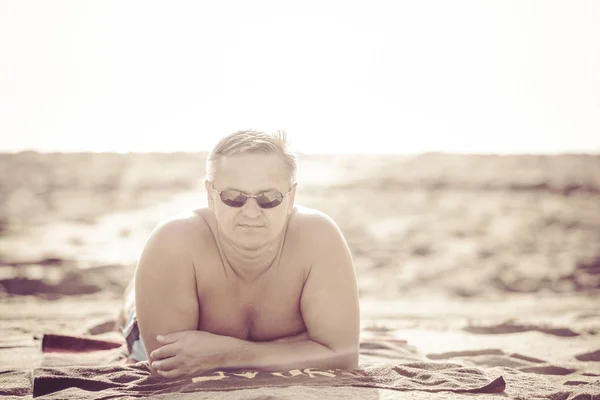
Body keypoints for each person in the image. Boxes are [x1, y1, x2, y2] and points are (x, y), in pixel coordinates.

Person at [120, 130, 360, 378]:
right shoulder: (173, 242)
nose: (251, 212)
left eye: (269, 198)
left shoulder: (318, 237)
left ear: (291, 198)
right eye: (233, 197)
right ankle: (132, 296)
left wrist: (227, 353)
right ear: (210, 196)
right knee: (135, 299)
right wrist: (294, 348)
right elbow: (169, 365)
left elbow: (344, 355)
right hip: (144, 319)